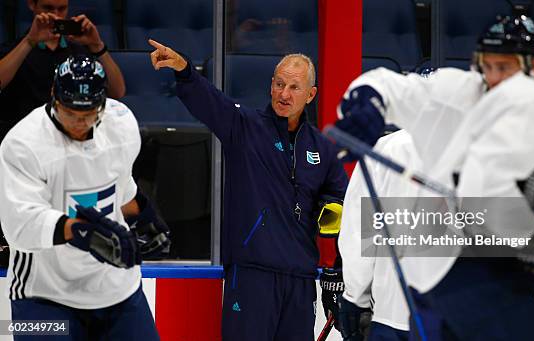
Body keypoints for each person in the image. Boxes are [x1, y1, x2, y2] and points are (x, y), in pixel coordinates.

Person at [336, 16, 534, 340]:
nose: (495, 78)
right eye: (487, 66)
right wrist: (367, 103)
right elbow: (386, 86)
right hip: (438, 290)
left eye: (505, 67)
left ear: (531, 68)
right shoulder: (463, 95)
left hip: (504, 291)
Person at [148, 40, 348, 340]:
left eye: (294, 87)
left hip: (301, 280)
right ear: (270, 85)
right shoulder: (243, 125)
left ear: (311, 94)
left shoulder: (323, 148)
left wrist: (331, 209)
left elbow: (340, 197)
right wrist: (185, 70)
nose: (284, 94)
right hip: (252, 275)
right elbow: (209, 101)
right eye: (279, 84)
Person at [0, 55, 168, 340]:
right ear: (53, 95)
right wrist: (84, 234)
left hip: (118, 290)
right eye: (70, 113)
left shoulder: (122, 124)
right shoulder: (21, 144)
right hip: (44, 296)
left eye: (89, 114)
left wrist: (146, 215)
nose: (79, 123)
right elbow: (19, 228)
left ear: (103, 103)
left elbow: (120, 184)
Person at [0, 0, 126, 139]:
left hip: (72, 134)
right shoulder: (13, 50)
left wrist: (97, 45)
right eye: (48, 8)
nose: (56, 15)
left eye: (62, 9)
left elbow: (117, 92)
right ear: (32, 4)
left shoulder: (80, 52)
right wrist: (30, 41)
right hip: (26, 135)